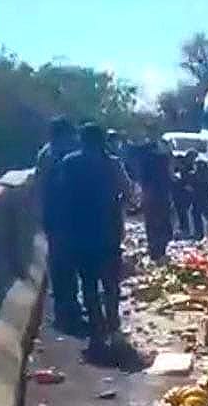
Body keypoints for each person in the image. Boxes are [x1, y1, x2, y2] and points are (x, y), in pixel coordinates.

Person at [56, 122, 135, 356]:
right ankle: (113, 326)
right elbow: (128, 191)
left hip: (79, 233)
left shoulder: (70, 163)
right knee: (111, 284)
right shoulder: (112, 164)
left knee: (88, 285)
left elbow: (61, 197)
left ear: (82, 140)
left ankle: (97, 332)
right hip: (108, 233)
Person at [35, 116, 82, 332]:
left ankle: (64, 307)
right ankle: (71, 304)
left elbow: (40, 187)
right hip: (73, 216)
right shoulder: (73, 151)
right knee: (72, 261)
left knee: (59, 262)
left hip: (56, 216)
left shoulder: (46, 154)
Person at [137, 140, 174, 260]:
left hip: (150, 196)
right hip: (163, 195)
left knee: (152, 224)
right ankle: (162, 248)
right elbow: (170, 176)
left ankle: (154, 250)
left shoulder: (144, 161)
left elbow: (142, 179)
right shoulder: (164, 160)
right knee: (163, 222)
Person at [189, 158, 208, 241]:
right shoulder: (206, 174)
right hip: (203, 199)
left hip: (202, 198)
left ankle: (204, 235)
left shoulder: (201, 175)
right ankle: (207, 235)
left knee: (204, 217)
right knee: (205, 217)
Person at [171, 149, 195, 238]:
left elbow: (186, 181)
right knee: (180, 212)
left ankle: (186, 230)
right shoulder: (182, 166)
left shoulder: (189, 168)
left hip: (183, 193)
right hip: (179, 193)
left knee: (183, 212)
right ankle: (183, 229)